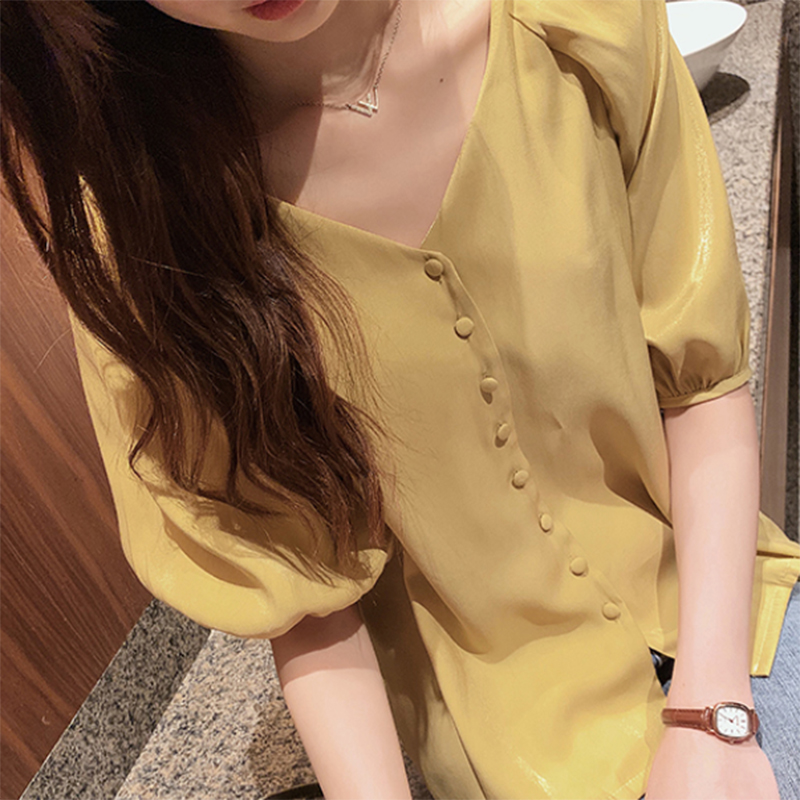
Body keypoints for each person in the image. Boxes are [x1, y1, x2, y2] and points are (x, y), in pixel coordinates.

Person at [2, 0, 799, 798]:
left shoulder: (575, 25)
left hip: (731, 615)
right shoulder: (142, 231)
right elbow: (301, 586)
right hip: (514, 751)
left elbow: (700, 384)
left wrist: (712, 711)